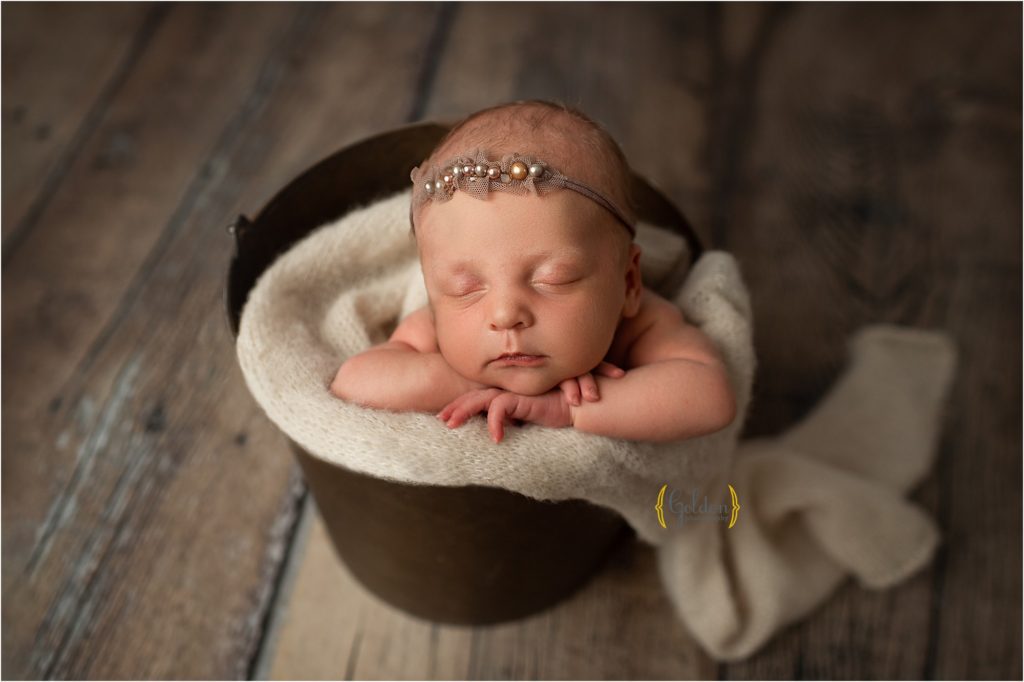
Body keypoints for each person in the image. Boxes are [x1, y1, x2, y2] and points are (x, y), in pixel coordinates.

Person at [330, 99, 736, 444]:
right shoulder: (439, 328)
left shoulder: (641, 322)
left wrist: (567, 408)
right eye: (465, 287)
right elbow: (355, 380)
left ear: (628, 283)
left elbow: (710, 396)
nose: (505, 314)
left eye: (553, 279)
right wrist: (474, 384)